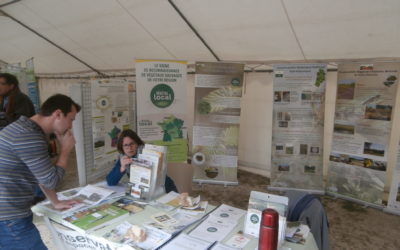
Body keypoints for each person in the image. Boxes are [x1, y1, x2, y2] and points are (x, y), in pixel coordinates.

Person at [0, 94, 81, 249]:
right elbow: (52, 180)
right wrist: (65, 150)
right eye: (71, 119)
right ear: (57, 114)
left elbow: (41, 176)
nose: (70, 126)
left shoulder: (25, 128)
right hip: (8, 217)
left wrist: (55, 202)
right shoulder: (29, 136)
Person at [106, 129, 178, 193]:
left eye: (132, 144)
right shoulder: (124, 157)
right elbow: (110, 182)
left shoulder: (147, 153)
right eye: (125, 145)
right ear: (122, 147)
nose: (129, 148)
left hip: (165, 189)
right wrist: (122, 168)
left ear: (137, 144)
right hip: (145, 194)